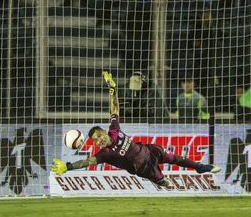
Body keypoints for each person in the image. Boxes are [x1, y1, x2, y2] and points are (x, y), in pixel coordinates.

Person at [51, 71, 221, 186]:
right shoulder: (105, 154)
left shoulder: (114, 130)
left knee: (175, 158)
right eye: (95, 141)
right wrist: (68, 166)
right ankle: (159, 180)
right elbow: (88, 162)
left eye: (99, 136)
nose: (99, 140)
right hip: (144, 169)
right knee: (164, 182)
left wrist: (112, 89)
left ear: (104, 132)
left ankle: (201, 167)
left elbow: (114, 108)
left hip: (150, 150)